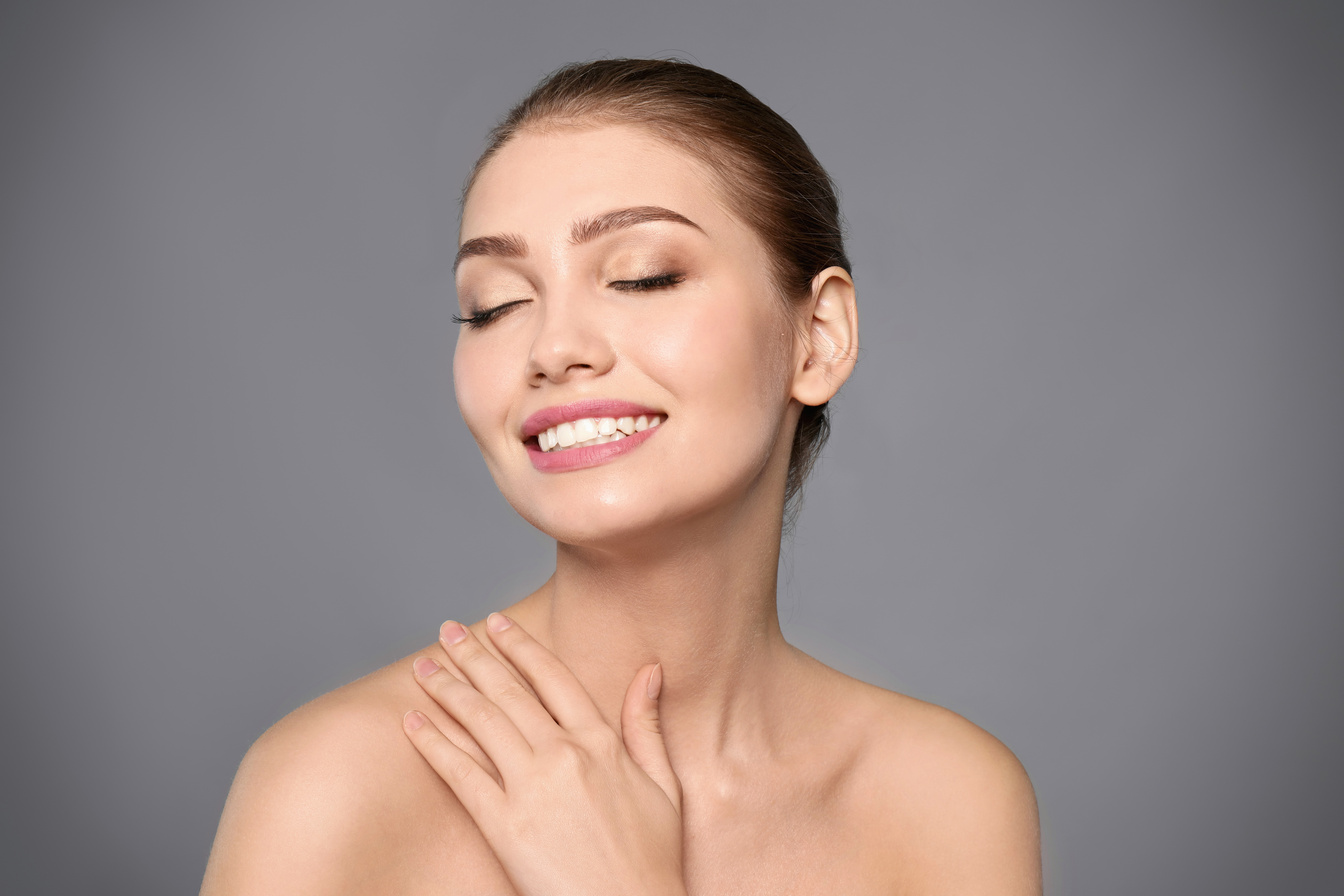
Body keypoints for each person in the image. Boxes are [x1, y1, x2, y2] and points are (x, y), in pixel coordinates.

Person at [201, 58, 1041, 895]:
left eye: (642, 275)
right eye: (493, 304)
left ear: (817, 336)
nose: (553, 347)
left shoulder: (948, 803)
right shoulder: (334, 790)